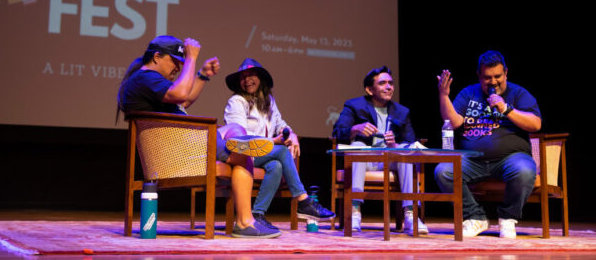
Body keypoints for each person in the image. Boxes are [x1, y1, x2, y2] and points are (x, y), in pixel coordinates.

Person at [117, 36, 279, 238]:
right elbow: (180, 94)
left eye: (181, 63)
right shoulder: (146, 77)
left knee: (235, 128)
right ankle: (245, 221)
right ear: (157, 57)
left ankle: (239, 142)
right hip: (181, 147)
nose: (178, 68)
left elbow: (180, 104)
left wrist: (202, 75)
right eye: (176, 62)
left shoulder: (147, 81)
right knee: (242, 156)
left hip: (181, 142)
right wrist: (192, 58)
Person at [434, 50, 541, 238]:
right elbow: (454, 122)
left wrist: (506, 108)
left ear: (506, 72)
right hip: (472, 159)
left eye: (497, 76)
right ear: (479, 76)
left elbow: (535, 124)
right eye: (487, 78)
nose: (493, 82)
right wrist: (444, 96)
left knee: (524, 170)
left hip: (510, 158)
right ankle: (474, 217)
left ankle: (508, 219)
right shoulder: (469, 93)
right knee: (443, 171)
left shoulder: (518, 93)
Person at [223, 58, 336, 231]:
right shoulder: (237, 101)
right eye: (243, 77)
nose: (247, 80)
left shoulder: (268, 101)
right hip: (241, 153)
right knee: (282, 151)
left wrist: (292, 134)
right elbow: (240, 139)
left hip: (259, 154)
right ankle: (303, 201)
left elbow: (281, 124)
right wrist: (273, 141)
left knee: (275, 166)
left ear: (261, 79)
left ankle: (258, 215)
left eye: (251, 75)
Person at [332, 66, 428, 235]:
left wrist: (395, 146)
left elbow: (411, 142)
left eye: (391, 83)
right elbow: (337, 133)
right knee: (357, 148)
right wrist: (356, 129)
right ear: (370, 89)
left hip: (390, 161)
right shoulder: (354, 106)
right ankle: (354, 212)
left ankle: (411, 215)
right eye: (382, 83)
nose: (389, 87)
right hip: (365, 161)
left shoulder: (402, 111)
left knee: (404, 151)